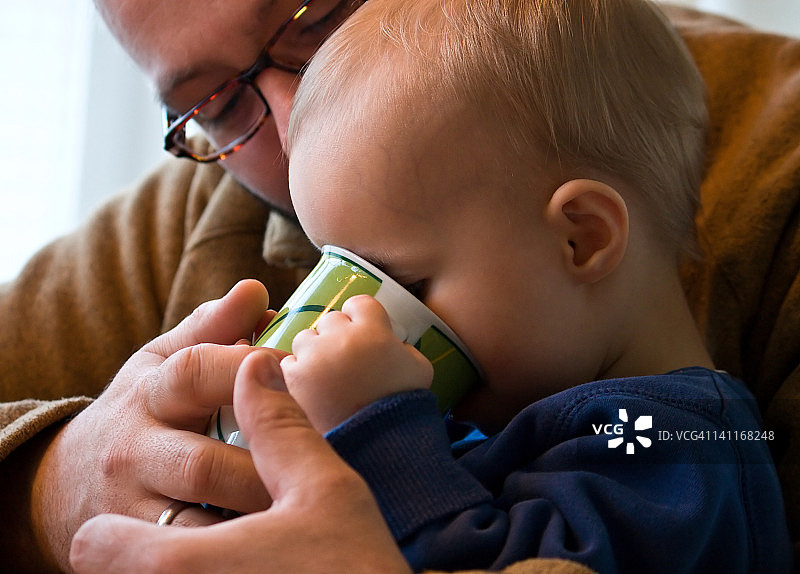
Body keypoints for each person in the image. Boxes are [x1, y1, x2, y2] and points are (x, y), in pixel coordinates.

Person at [277, 0, 793, 570]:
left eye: (407, 285)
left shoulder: (681, 449)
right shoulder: (503, 414)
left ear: (582, 239)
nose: (363, 320)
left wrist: (375, 429)